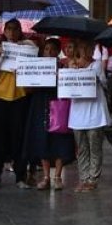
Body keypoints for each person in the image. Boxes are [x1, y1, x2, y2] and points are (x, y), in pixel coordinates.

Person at [0, 18, 34, 188]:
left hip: (19, 97)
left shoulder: (27, 48)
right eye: (9, 29)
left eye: (15, 29)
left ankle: (20, 177)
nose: (12, 32)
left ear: (20, 32)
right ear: (4, 32)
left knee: (19, 138)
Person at [20, 37, 75, 192]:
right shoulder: (36, 66)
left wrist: (61, 75)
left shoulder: (63, 66)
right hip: (39, 103)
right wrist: (23, 76)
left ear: (58, 52)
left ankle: (57, 176)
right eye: (46, 49)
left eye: (52, 50)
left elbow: (69, 86)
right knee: (41, 138)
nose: (49, 52)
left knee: (59, 138)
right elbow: (28, 90)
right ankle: (45, 177)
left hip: (57, 104)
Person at [67, 36, 109, 192]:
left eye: (89, 48)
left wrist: (95, 78)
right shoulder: (71, 66)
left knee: (95, 146)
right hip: (78, 112)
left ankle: (93, 179)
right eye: (83, 48)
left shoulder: (96, 65)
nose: (86, 51)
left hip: (95, 111)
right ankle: (83, 178)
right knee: (82, 148)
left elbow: (104, 83)